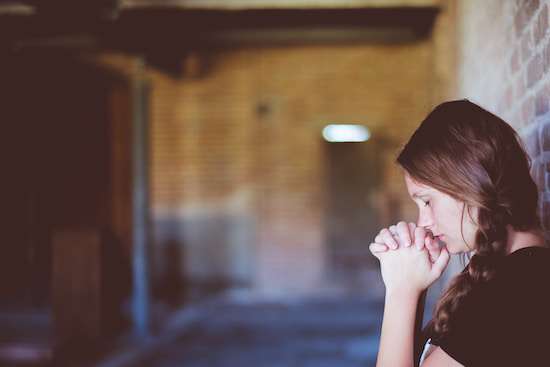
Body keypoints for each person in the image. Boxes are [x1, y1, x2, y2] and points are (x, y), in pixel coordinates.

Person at [368, 99, 550, 367]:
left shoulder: (521, 291)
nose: (423, 223)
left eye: (427, 201)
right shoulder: (503, 277)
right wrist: (414, 286)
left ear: (470, 185)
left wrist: (401, 292)